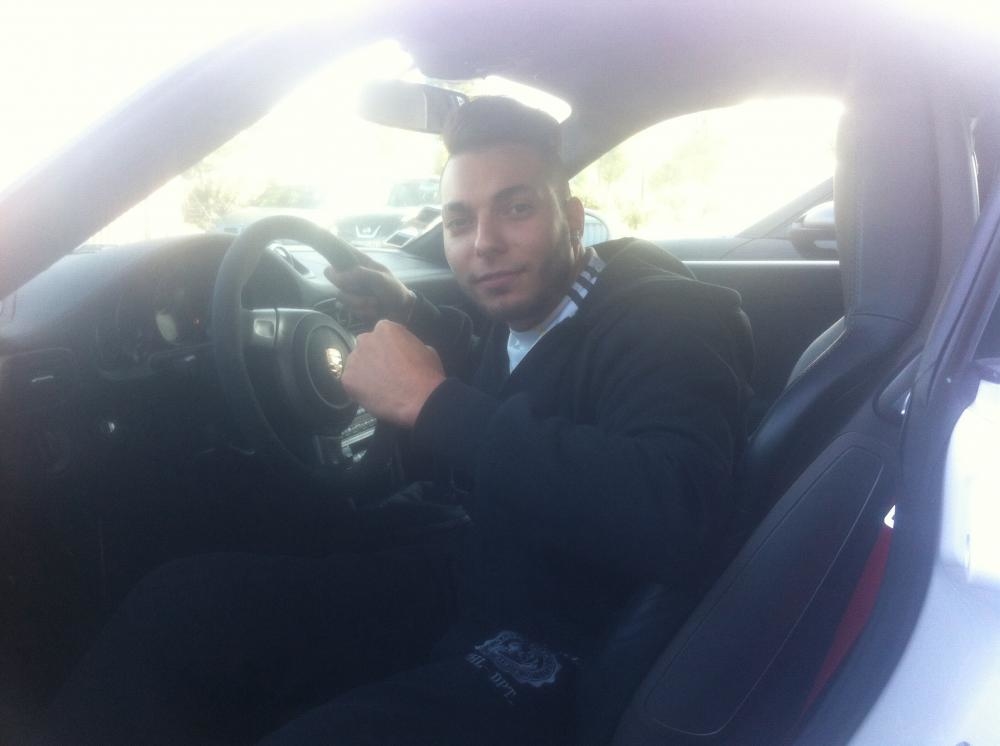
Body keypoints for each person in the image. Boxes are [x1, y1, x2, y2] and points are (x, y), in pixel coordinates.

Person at [41, 97, 752, 745]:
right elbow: (529, 377)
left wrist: (431, 402)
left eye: (515, 208)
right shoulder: (536, 304)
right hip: (477, 569)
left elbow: (675, 512)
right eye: (459, 221)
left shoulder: (669, 318)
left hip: (559, 640)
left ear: (570, 217)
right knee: (185, 605)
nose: (483, 243)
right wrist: (411, 314)